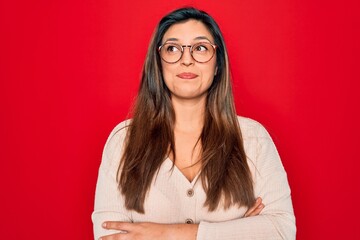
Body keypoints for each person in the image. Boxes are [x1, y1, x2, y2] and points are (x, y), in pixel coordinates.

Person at [92, 7, 296, 240]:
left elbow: (280, 231)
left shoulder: (253, 139)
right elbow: (109, 236)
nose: (186, 60)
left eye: (200, 48)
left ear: (217, 64)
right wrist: (237, 231)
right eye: (172, 49)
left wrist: (166, 233)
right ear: (158, 64)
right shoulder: (123, 142)